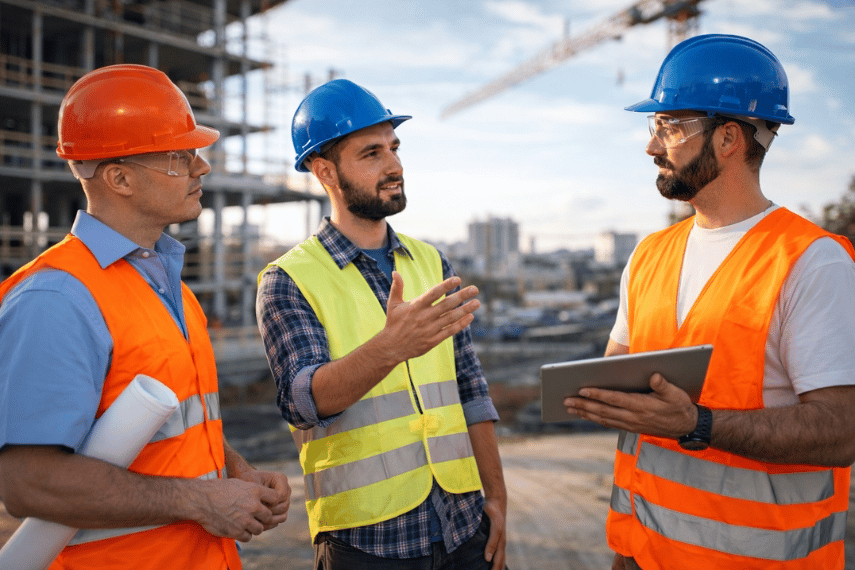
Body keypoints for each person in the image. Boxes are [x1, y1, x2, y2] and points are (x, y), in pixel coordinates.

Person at [563, 34, 855, 570]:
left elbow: (841, 431)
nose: (652, 146)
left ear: (728, 139)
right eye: (654, 127)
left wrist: (698, 423)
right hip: (642, 554)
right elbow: (618, 376)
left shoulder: (813, 261)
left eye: (670, 127)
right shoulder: (649, 254)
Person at [0, 64, 291, 570]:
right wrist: (201, 501)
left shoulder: (169, 286)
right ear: (119, 178)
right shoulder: (55, 298)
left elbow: (179, 421)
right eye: (180, 157)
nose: (202, 167)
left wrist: (233, 470)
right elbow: (28, 482)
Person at [256, 79, 508, 570]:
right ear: (325, 171)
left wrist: (496, 497)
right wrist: (390, 347)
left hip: (464, 527)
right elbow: (303, 402)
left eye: (394, 148)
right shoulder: (288, 280)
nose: (394, 165)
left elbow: (470, 388)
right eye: (371, 153)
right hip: (367, 544)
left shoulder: (430, 262)